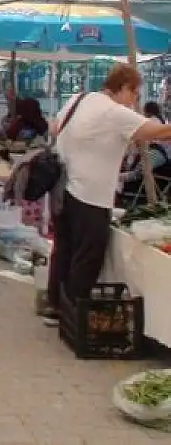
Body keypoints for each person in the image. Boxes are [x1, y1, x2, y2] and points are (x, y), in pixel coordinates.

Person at [45, 65, 171, 324]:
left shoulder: (79, 98)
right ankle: (73, 314)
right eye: (134, 94)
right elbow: (157, 132)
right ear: (124, 88)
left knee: (64, 248)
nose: (134, 101)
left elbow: (55, 127)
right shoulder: (114, 112)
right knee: (88, 254)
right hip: (91, 194)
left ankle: (56, 306)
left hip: (63, 187)